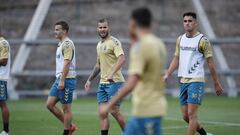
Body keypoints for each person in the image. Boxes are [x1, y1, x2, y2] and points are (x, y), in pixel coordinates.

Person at [101, 7, 167, 135]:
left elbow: (132, 82)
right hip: (155, 106)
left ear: (133, 23)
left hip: (146, 108)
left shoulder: (141, 46)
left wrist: (109, 106)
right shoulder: (158, 43)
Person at [164, 12, 223, 135]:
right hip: (183, 81)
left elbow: (211, 64)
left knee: (192, 114)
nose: (187, 23)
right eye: (185, 21)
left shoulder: (203, 40)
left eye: (190, 21)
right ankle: (205, 134)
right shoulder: (180, 39)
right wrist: (168, 73)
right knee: (185, 116)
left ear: (195, 23)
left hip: (196, 80)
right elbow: (176, 58)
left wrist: (216, 83)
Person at [84, 18, 126, 135]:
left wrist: (112, 73)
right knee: (102, 113)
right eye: (100, 27)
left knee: (114, 111)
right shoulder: (99, 45)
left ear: (109, 28)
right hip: (102, 83)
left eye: (104, 27)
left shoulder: (114, 42)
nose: (102, 29)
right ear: (97, 29)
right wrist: (89, 80)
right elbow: (98, 65)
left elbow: (122, 58)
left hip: (115, 82)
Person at [46, 21, 77, 135]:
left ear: (64, 31)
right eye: (55, 29)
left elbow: (67, 63)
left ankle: (66, 132)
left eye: (57, 29)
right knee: (49, 104)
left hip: (67, 79)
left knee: (66, 109)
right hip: (59, 79)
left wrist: (63, 80)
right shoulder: (61, 44)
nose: (55, 31)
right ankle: (70, 126)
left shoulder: (67, 44)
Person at [0, 29, 10, 135]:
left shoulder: (3, 43)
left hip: (0, 78)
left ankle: (6, 130)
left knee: (2, 103)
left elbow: (4, 61)